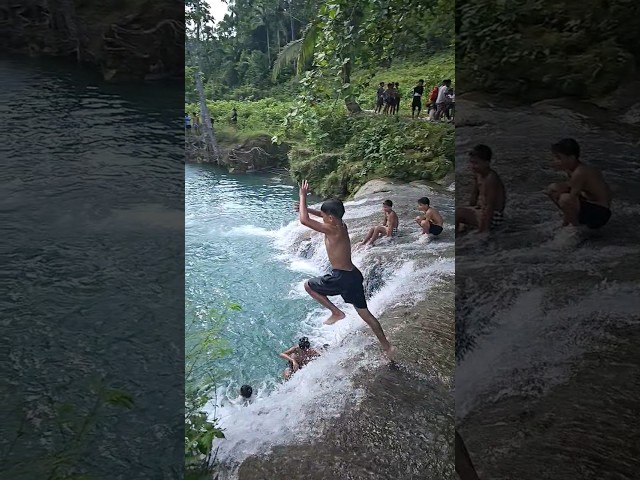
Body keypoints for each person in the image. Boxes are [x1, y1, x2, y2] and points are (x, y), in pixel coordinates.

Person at [297, 180, 394, 357]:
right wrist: (308, 208)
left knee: (308, 286)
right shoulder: (341, 225)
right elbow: (318, 214)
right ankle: (386, 346)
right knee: (366, 315)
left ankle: (336, 312)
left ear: (331, 218)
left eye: (325, 216)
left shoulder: (331, 229)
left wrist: (303, 196)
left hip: (341, 277)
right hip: (353, 276)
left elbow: (304, 220)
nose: (323, 217)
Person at [545, 138, 612, 229]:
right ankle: (573, 221)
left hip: (601, 213)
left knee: (565, 199)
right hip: (591, 205)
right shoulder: (571, 169)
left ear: (571, 158)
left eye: (559, 158)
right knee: (552, 189)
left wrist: (564, 224)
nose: (555, 161)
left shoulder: (580, 172)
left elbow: (572, 198)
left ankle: (575, 228)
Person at [455, 144, 506, 234]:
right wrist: (470, 209)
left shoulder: (491, 178)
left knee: (457, 213)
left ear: (487, 163)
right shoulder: (478, 174)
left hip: (494, 217)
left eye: (476, 163)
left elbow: (490, 206)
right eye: (471, 162)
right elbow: (474, 195)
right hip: (482, 211)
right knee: (460, 211)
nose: (472, 166)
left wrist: (484, 230)